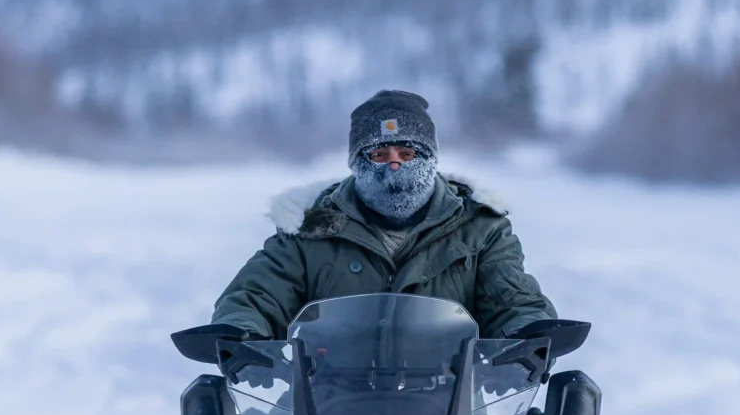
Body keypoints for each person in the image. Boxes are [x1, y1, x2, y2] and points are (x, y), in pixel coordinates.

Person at [212, 90, 556, 339]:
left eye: (408, 152)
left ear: (431, 157)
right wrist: (240, 333)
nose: (394, 163)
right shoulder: (309, 226)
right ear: (357, 162)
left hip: (455, 403)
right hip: (325, 403)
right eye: (379, 153)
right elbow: (257, 295)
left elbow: (512, 300)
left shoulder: (480, 226)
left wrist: (526, 337)